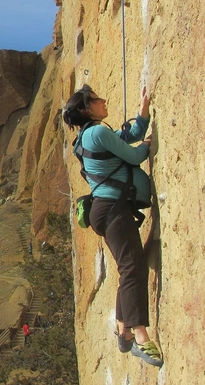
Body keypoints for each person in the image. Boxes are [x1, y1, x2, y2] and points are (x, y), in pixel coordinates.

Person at [62, 84, 163, 367]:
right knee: (132, 266)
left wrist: (142, 114)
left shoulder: (86, 137)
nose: (103, 100)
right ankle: (140, 337)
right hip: (113, 208)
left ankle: (122, 329)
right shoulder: (97, 132)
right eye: (96, 99)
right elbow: (133, 155)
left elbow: (125, 137)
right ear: (85, 108)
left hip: (105, 210)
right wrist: (147, 144)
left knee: (128, 266)